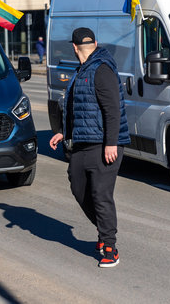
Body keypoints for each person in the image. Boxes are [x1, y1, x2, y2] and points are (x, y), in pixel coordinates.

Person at [49, 27, 130, 268]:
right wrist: (65, 132)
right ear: (94, 42)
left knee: (100, 194)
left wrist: (111, 143)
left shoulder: (102, 68)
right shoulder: (82, 70)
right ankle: (104, 230)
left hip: (104, 144)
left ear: (73, 47)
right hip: (83, 143)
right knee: (78, 186)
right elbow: (78, 109)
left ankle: (109, 247)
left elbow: (112, 110)